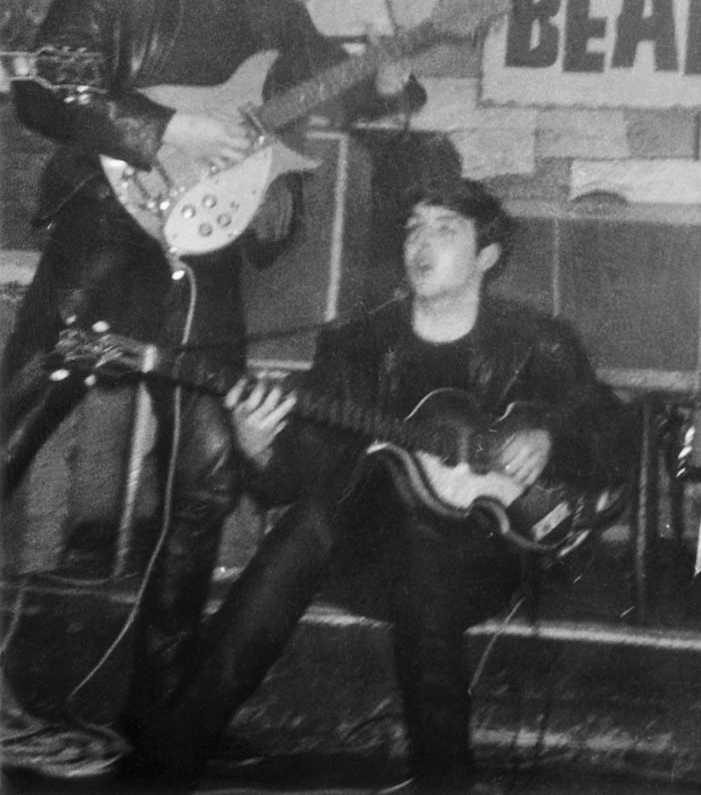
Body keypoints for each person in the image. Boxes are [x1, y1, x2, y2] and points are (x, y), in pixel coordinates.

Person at [1, 0, 422, 758]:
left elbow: (336, 92)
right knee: (9, 439)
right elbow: (46, 83)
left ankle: (158, 718)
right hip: (107, 236)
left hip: (204, 264)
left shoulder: (277, 17)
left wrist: (393, 77)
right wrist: (164, 130)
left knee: (204, 483)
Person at [120, 176, 634, 792]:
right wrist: (257, 442)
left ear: (486, 257)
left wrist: (548, 434)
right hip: (365, 551)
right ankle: (170, 759)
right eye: (414, 227)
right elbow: (298, 476)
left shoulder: (537, 341)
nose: (422, 241)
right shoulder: (357, 342)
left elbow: (612, 434)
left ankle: (444, 781)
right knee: (304, 526)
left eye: (445, 230)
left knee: (427, 554)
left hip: (485, 555)